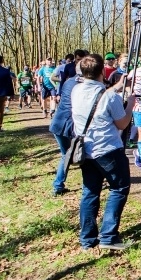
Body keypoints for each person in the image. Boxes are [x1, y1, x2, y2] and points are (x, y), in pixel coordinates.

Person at [71, 54, 135, 250]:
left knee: (90, 192)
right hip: (108, 150)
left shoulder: (76, 90)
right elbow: (122, 123)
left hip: (86, 150)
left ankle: (87, 239)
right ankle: (108, 235)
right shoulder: (109, 97)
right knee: (119, 188)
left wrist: (117, 86)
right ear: (101, 72)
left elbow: (99, 95)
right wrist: (131, 104)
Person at [49, 60, 84, 196]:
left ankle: (58, 185)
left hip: (58, 123)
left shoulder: (69, 82)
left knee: (67, 155)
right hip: (71, 125)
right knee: (81, 154)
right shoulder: (83, 85)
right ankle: (88, 184)